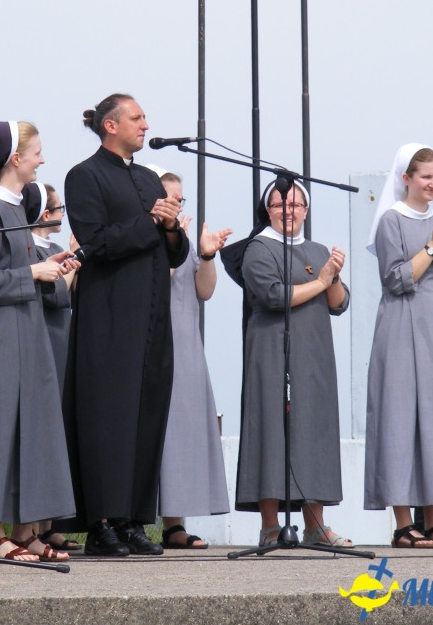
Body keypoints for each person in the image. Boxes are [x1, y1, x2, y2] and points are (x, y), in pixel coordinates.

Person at [62, 94, 188, 556]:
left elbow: (173, 252)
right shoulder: (84, 175)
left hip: (153, 318)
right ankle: (100, 524)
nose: (145, 124)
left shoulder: (147, 177)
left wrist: (172, 227)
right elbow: (96, 243)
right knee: (107, 420)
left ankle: (134, 520)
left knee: (146, 416)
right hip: (109, 319)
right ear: (110, 126)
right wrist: (151, 220)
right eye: (136, 118)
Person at [0, 120, 77, 562]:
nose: (42, 159)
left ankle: (24, 532)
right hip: (0, 339)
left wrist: (47, 266)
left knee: (30, 432)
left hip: (26, 334)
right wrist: (31, 272)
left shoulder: (13, 208)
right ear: (15, 159)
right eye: (37, 152)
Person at [363, 143, 433, 549]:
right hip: (400, 325)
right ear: (406, 178)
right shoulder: (391, 221)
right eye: (425, 176)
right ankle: (402, 522)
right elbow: (395, 280)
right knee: (401, 419)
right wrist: (430, 246)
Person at [230, 180, 352, 548]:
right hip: (271, 352)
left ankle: (316, 525)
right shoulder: (259, 248)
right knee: (269, 431)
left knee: (313, 430)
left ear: (306, 210)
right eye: (281, 205)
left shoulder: (314, 249)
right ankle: (270, 526)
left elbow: (339, 303)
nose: (289, 211)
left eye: (296, 205)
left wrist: (333, 274)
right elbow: (273, 296)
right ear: (268, 210)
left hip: (314, 354)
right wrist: (322, 280)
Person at [149, 168, 231, 549]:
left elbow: (205, 290)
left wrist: (207, 254)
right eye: (173, 197)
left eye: (182, 199)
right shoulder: (146, 238)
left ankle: (174, 523)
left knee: (180, 432)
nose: (180, 204)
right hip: (150, 342)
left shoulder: (183, 240)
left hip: (185, 344)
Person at [28, 183, 83, 553]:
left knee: (60, 429)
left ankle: (50, 524)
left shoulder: (49, 247)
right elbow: (57, 295)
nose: (61, 215)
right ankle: (34, 526)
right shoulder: (35, 248)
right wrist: (73, 264)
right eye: (57, 209)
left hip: (62, 337)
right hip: (45, 336)